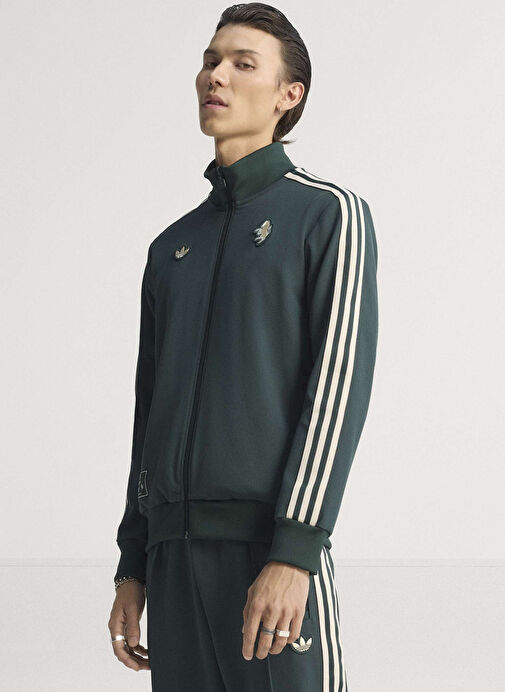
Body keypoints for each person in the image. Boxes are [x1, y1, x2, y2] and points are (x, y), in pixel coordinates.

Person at [107, 3, 379, 691]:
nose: (215, 75)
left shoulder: (326, 214)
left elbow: (337, 388)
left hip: (268, 553)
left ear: (290, 95)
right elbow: (150, 413)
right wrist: (133, 563)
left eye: (241, 63)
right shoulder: (171, 248)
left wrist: (295, 550)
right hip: (170, 561)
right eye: (209, 60)